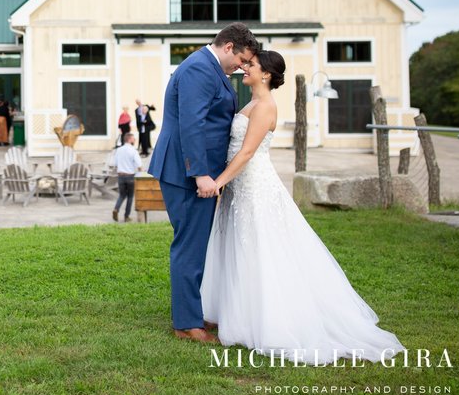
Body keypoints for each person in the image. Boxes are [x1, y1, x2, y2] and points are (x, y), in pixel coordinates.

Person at [201, 50, 405, 363]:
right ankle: (237, 311)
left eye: (250, 66)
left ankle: (270, 320)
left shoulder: (265, 105)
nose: (244, 68)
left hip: (254, 184)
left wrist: (219, 182)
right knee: (237, 245)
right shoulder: (251, 102)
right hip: (239, 187)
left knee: (259, 247)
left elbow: (246, 153)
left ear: (266, 74)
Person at [147, 22, 259, 343]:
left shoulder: (210, 68)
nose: (241, 66)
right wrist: (200, 174)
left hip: (197, 172)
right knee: (189, 245)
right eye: (241, 59)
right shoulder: (199, 69)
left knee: (195, 244)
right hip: (187, 175)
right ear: (228, 47)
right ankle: (186, 325)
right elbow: (192, 124)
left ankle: (192, 314)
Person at [113, 133, 142, 222]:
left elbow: (115, 164)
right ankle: (126, 216)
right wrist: (141, 174)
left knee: (122, 195)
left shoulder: (119, 150)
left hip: (121, 176)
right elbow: (139, 165)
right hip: (130, 176)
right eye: (133, 139)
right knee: (130, 196)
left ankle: (116, 209)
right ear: (129, 139)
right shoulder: (133, 150)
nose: (135, 140)